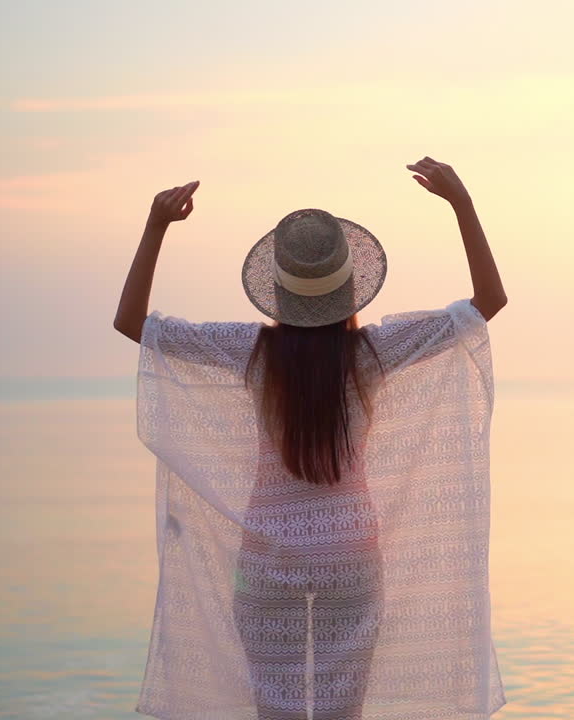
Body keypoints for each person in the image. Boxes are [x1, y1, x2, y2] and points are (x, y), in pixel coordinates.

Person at [113, 157, 508, 719]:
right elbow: (487, 302)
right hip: (351, 558)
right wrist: (461, 203)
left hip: (265, 562)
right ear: (350, 287)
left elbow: (133, 323)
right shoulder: (372, 354)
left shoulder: (252, 353)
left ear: (276, 289)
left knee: (273, 712)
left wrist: (155, 227)